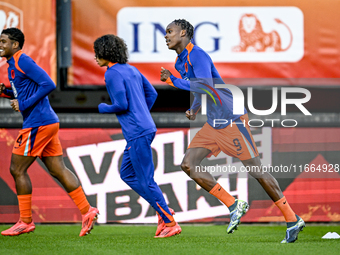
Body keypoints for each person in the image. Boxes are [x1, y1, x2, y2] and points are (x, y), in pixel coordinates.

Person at [160, 19, 305, 243]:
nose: (166, 36)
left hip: (232, 117)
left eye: (170, 32)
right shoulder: (180, 61)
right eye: (166, 32)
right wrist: (195, 109)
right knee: (188, 165)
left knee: (257, 171)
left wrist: (173, 82)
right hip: (215, 122)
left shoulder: (197, 54)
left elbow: (206, 86)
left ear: (184, 33)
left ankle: (292, 218)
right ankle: (234, 204)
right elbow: (202, 90)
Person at [0, 28, 99, 237]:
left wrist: (23, 103)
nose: (0, 45)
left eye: (3, 42)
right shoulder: (12, 65)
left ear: (15, 45)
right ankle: (87, 210)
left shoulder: (22, 60)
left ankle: (25, 221)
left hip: (38, 123)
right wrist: (6, 91)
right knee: (58, 169)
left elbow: (49, 84)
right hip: (46, 122)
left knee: (16, 169)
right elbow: (23, 91)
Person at [93, 34, 181, 238]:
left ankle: (169, 220)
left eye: (97, 52)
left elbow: (121, 105)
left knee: (145, 179)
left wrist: (103, 107)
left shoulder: (112, 73)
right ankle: (162, 210)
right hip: (145, 128)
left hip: (137, 132)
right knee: (127, 174)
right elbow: (153, 94)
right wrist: (142, 114)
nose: (95, 56)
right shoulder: (132, 69)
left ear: (106, 52)